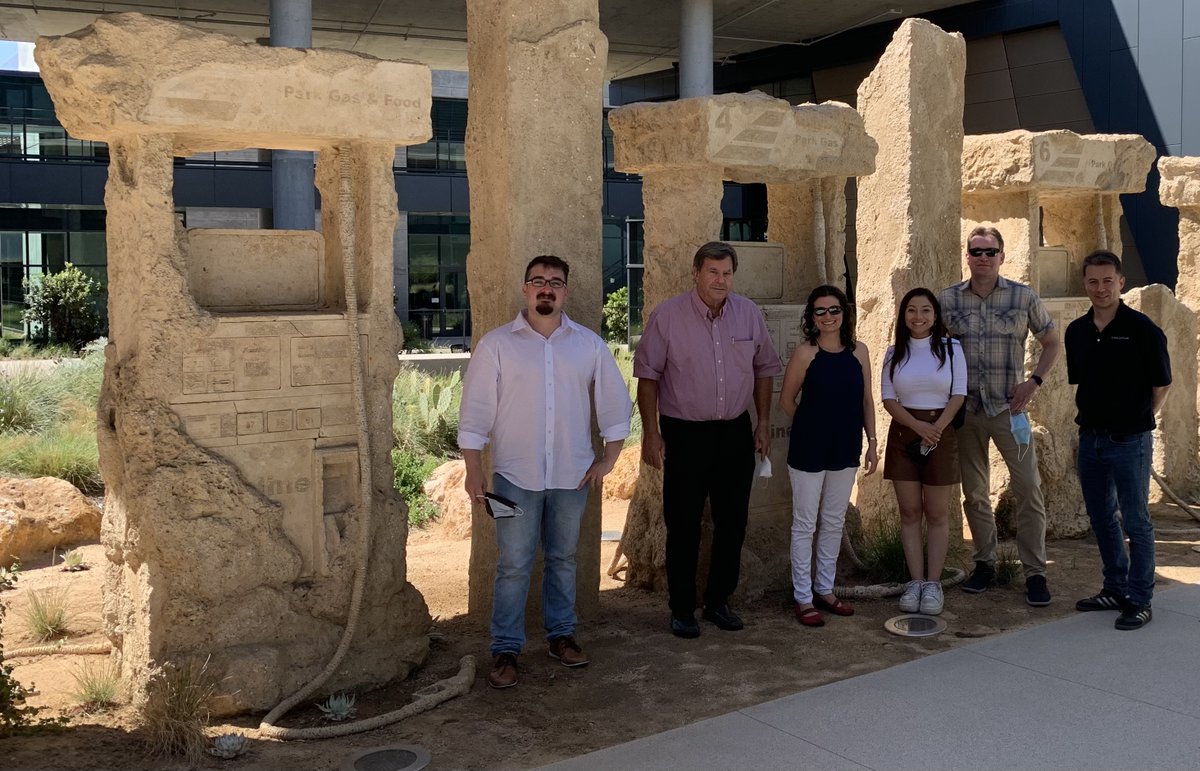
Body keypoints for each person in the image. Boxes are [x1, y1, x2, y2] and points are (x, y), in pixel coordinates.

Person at [458, 255, 632, 689]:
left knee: (563, 558)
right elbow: (475, 411)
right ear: (525, 289)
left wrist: (610, 457)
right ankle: (505, 650)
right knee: (513, 563)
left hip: (572, 476)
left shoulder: (587, 344)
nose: (546, 288)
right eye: (538, 281)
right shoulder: (496, 345)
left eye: (555, 282)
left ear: (565, 292)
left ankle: (561, 637)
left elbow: (613, 400)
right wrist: (473, 469)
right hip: (513, 477)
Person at [634, 241, 782, 639]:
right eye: (713, 272)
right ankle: (682, 608)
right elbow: (647, 376)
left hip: (735, 430)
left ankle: (719, 601)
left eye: (727, 273)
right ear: (696, 273)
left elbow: (765, 368)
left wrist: (763, 422)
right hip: (684, 434)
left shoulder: (748, 313)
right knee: (682, 523)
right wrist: (651, 433)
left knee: (733, 522)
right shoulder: (667, 316)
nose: (721, 280)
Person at [939, 226, 1061, 606]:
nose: (983, 258)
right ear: (968, 256)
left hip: (1012, 412)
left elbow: (1052, 341)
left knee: (1029, 489)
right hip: (968, 412)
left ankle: (1035, 573)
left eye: (990, 252)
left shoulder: (1023, 297)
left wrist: (1034, 381)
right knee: (975, 494)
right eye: (976, 251)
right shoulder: (948, 300)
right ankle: (985, 564)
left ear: (1002, 256)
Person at [1066, 250, 1170, 631]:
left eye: (1108, 280)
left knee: (1137, 521)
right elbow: (1082, 384)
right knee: (1101, 518)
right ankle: (1115, 587)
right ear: (1085, 284)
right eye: (1093, 281)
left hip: (1130, 441)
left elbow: (1162, 383)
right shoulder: (1076, 331)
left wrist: (1141, 421)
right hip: (1090, 440)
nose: (1101, 288)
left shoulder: (1142, 329)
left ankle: (1140, 599)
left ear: (1121, 282)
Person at [778, 285, 877, 627]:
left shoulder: (859, 352)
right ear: (811, 317)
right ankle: (803, 598)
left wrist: (873, 441)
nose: (828, 317)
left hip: (846, 448)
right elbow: (787, 401)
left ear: (843, 313)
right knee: (805, 524)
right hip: (809, 450)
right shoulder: (806, 353)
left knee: (834, 522)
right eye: (820, 311)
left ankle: (825, 589)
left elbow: (867, 400)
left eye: (834, 310)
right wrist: (813, 425)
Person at [881, 288, 967, 616]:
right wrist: (919, 429)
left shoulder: (951, 348)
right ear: (903, 316)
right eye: (912, 311)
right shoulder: (894, 352)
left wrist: (936, 429)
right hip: (905, 433)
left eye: (926, 310)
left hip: (940, 433)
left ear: (935, 315)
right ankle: (915, 581)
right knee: (909, 512)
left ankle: (933, 584)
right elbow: (889, 399)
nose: (919, 317)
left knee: (937, 513)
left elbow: (958, 393)